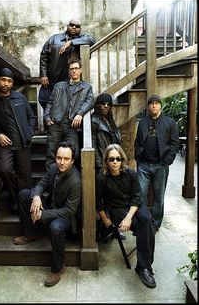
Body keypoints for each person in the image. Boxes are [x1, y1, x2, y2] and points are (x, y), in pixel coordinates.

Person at [13, 141, 82, 287]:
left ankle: (57, 268)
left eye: (66, 159)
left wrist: (42, 215)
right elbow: (41, 184)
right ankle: (32, 233)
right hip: (52, 205)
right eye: (59, 158)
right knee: (25, 194)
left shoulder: (76, 180)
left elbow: (69, 211)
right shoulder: (53, 168)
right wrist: (36, 196)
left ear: (72, 160)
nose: (61, 162)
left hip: (67, 217)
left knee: (56, 227)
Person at [96, 144, 156, 288]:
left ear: (122, 159)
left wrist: (129, 217)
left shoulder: (131, 173)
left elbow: (137, 196)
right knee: (144, 226)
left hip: (134, 205)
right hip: (117, 209)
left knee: (147, 220)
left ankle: (144, 267)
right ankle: (145, 265)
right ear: (106, 161)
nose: (115, 162)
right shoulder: (102, 177)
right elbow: (98, 201)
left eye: (118, 158)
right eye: (111, 159)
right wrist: (105, 219)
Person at [0, 68, 36, 213]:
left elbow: (31, 117)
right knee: (4, 170)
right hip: (4, 145)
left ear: (12, 83)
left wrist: (29, 132)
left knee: (25, 175)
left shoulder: (20, 98)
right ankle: (15, 199)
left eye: (9, 81)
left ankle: (24, 203)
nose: (6, 83)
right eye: (3, 80)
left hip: (23, 143)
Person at [134, 94, 179, 232]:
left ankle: (155, 224)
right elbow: (137, 141)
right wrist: (139, 157)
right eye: (151, 103)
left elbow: (174, 143)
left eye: (156, 103)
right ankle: (141, 223)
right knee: (140, 195)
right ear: (148, 106)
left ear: (160, 105)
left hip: (161, 165)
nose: (154, 105)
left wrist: (167, 160)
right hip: (144, 165)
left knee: (159, 197)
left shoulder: (170, 122)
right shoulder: (142, 121)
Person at [44, 56, 95, 169]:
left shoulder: (86, 87)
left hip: (71, 126)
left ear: (80, 70)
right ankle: (52, 180)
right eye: (72, 69)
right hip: (55, 123)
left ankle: (68, 179)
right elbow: (50, 102)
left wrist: (80, 113)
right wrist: (47, 118)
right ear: (69, 71)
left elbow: (90, 101)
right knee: (51, 153)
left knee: (74, 152)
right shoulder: (59, 86)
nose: (74, 71)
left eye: (76, 68)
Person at [38, 18, 96, 110]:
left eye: (77, 26)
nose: (74, 27)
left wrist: (71, 42)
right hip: (52, 80)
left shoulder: (82, 39)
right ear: (67, 26)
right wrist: (43, 75)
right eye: (71, 25)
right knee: (44, 100)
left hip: (70, 81)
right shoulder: (54, 39)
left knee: (66, 106)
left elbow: (92, 39)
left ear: (80, 29)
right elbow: (44, 56)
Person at [91, 93, 125, 240]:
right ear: (97, 104)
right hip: (103, 166)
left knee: (114, 198)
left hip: (114, 164)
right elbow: (93, 145)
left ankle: (115, 228)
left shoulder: (110, 120)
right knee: (103, 199)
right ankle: (106, 228)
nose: (105, 106)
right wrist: (100, 165)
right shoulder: (94, 121)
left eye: (108, 104)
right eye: (103, 103)